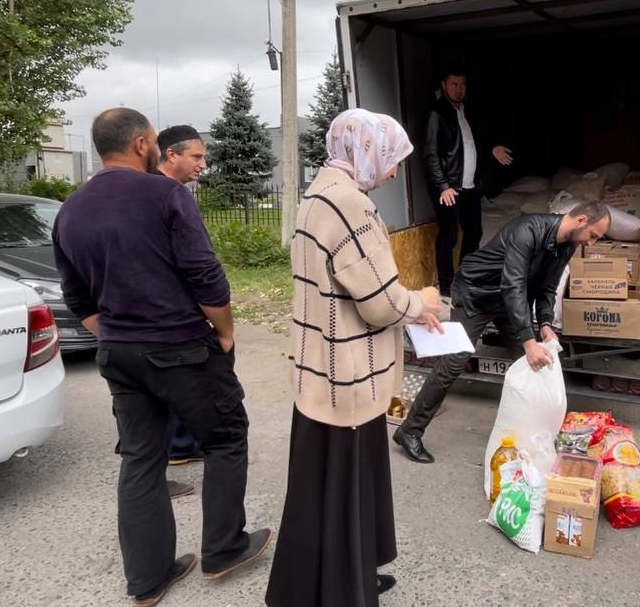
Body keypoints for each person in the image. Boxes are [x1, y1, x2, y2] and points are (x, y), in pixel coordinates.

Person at [53, 108, 271, 607]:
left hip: (117, 353)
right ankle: (223, 549)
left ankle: (148, 581)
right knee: (225, 438)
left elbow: (78, 297)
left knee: (140, 460)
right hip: (180, 348)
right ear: (140, 144)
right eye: (152, 140)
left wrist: (116, 336)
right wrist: (226, 330)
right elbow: (204, 274)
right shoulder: (165, 193)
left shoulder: (71, 209)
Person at [264, 109, 444, 607]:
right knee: (346, 494)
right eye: (391, 159)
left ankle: (320, 584)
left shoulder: (317, 195)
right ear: (365, 152)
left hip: (317, 372)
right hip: (349, 376)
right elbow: (382, 302)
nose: (392, 172)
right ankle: (348, 589)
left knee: (317, 494)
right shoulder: (352, 206)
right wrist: (423, 303)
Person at [393, 201, 611, 464]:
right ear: (581, 220)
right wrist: (528, 339)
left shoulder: (567, 245)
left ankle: (538, 438)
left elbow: (547, 289)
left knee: (533, 363)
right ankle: (409, 431)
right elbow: (513, 284)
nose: (592, 243)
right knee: (454, 362)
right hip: (476, 294)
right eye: (593, 235)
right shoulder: (527, 230)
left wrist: (544, 325)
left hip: (508, 302)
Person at [424, 68, 514, 294]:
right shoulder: (437, 114)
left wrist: (491, 148)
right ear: (444, 85)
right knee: (449, 235)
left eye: (462, 84)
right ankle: (446, 288)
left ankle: (465, 278)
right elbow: (431, 153)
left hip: (470, 186)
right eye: (453, 84)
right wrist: (442, 186)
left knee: (474, 232)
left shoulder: (467, 111)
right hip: (449, 189)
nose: (458, 89)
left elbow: (473, 142)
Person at [155, 125, 207, 474]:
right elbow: (197, 262)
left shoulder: (162, 191)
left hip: (169, 307)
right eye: (197, 157)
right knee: (182, 378)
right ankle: (177, 445)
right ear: (171, 154)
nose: (203, 164)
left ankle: (182, 443)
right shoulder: (167, 194)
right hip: (171, 310)